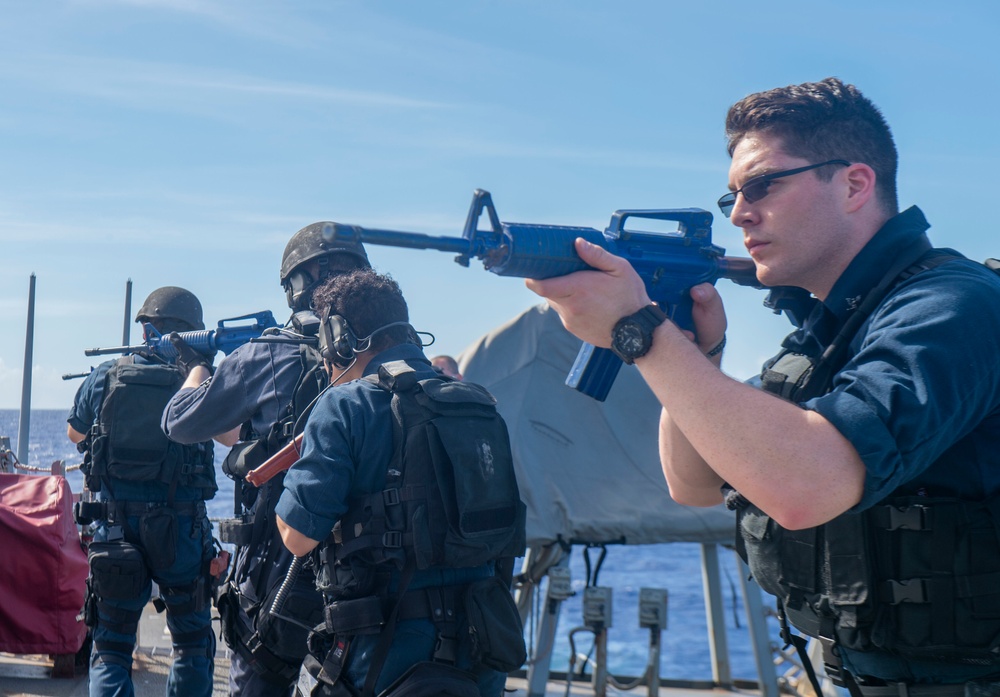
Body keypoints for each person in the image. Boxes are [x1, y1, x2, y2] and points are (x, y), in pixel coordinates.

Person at [526, 77, 1000, 696]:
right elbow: (692, 483)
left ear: (855, 184)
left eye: (763, 185)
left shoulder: (951, 307)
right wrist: (696, 355)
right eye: (733, 198)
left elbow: (807, 487)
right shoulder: (828, 330)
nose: (742, 213)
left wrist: (638, 330)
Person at [275, 268, 526, 697]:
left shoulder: (344, 405)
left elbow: (298, 538)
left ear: (338, 336)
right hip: (480, 647)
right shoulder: (478, 404)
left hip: (383, 654)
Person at [161, 224, 371, 697]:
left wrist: (196, 367)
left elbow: (178, 421)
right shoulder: (387, 359)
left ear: (297, 285)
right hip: (366, 577)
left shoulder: (267, 355)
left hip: (278, 571)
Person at [67, 286, 219, 697]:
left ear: (148, 328)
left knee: (111, 646)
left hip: (115, 528)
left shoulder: (106, 375)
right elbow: (228, 436)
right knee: (191, 643)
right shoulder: (200, 383)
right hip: (182, 533)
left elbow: (75, 432)